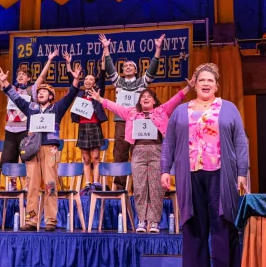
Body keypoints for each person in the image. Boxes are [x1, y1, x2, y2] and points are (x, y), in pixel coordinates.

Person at [160, 63, 248, 267]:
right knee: (193, 226)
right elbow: (169, 142)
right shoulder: (180, 111)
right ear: (195, 84)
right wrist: (165, 169)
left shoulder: (228, 109)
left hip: (222, 174)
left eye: (210, 80)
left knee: (224, 225)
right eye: (201, 81)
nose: (206, 84)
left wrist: (242, 172)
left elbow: (241, 141)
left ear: (217, 85)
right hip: (190, 174)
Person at [90, 81, 191, 233]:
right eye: (143, 96)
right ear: (139, 100)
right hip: (137, 152)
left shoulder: (162, 111)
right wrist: (99, 100)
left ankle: (154, 222)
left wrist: (189, 87)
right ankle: (142, 221)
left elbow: (176, 99)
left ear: (154, 100)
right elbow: (115, 107)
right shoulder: (131, 113)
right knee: (139, 187)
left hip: (157, 152)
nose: (145, 98)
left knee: (156, 189)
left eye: (149, 96)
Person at [0, 64, 82, 231]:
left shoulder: (57, 108)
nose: (40, 92)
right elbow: (16, 98)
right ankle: (31, 221)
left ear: (51, 96)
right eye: (39, 91)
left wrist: (76, 80)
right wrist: (5, 83)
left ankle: (50, 221)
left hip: (51, 150)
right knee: (32, 186)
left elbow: (70, 95)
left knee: (50, 184)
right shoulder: (31, 108)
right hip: (32, 151)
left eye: (45, 91)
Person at [98, 33, 164, 188]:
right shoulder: (118, 82)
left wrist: (158, 49)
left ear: (135, 70)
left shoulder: (142, 82)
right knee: (119, 153)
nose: (127, 67)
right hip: (121, 122)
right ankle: (119, 187)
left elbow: (152, 69)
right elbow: (109, 67)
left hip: (138, 123)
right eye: (125, 66)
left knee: (137, 153)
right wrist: (106, 48)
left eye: (130, 66)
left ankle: (138, 186)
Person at [0, 51, 55, 190]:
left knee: (27, 159)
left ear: (28, 78)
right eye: (18, 74)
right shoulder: (11, 90)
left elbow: (42, 77)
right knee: (9, 160)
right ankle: (13, 184)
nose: (20, 76)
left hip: (25, 130)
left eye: (23, 74)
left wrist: (49, 60)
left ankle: (28, 185)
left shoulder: (30, 91)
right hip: (10, 130)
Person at [64, 50, 107, 194]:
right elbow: (72, 82)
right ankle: (88, 184)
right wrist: (68, 65)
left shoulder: (97, 92)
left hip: (94, 126)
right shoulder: (79, 93)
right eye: (86, 79)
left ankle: (96, 183)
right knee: (86, 158)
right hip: (83, 127)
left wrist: (103, 62)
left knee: (95, 157)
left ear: (94, 83)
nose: (88, 81)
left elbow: (102, 77)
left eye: (91, 79)